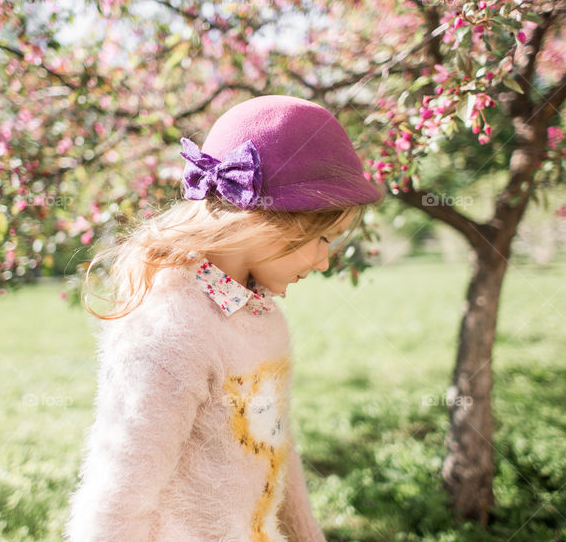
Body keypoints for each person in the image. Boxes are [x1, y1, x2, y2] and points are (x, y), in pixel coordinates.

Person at [63, 95, 384, 541]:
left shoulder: (264, 317)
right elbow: (116, 500)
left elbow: (275, 445)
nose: (324, 261)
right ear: (268, 218)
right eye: (322, 237)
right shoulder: (170, 331)